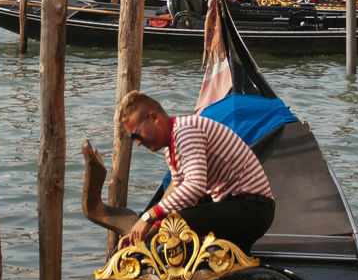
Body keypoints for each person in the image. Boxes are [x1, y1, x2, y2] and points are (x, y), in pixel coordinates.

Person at [116, 90, 274, 254]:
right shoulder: (172, 149)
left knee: (178, 222)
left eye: (137, 134)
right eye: (132, 138)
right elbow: (182, 198)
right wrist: (148, 231)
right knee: (173, 220)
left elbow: (195, 186)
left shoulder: (185, 131)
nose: (138, 143)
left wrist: (148, 217)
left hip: (253, 207)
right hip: (237, 206)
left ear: (154, 118)